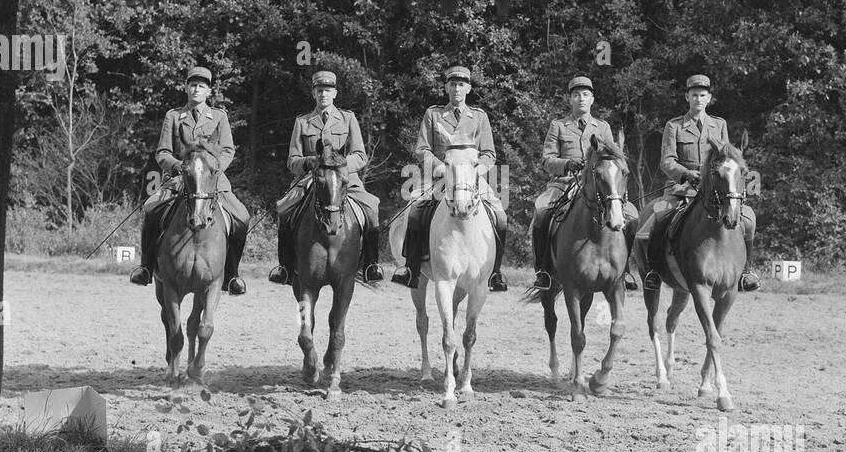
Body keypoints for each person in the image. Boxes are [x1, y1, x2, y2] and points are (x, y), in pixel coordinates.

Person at [633, 74, 760, 292]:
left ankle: (746, 271)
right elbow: (667, 161)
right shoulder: (674, 126)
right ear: (687, 97)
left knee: (747, 219)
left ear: (709, 98)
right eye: (694, 95)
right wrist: (686, 174)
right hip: (683, 188)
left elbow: (726, 156)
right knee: (660, 217)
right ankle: (654, 270)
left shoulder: (719, 124)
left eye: (702, 95)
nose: (698, 99)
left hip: (715, 189)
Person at [129, 65, 249, 294]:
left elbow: (228, 150)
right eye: (192, 85)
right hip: (179, 179)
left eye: (201, 86)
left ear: (208, 91)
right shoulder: (173, 116)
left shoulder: (220, 117)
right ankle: (145, 268)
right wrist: (180, 167)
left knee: (242, 217)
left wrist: (213, 170)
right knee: (151, 208)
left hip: (213, 181)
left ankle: (232, 275)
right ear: (186, 88)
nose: (196, 89)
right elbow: (162, 152)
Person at [391, 64, 509, 292]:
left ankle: (495, 273)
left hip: (471, 178)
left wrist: (477, 170)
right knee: (415, 211)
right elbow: (422, 149)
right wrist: (439, 167)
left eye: (462, 84)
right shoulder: (433, 114)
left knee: (501, 216)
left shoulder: (479, 117)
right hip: (440, 177)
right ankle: (411, 269)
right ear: (446, 87)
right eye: (453, 84)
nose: (457, 88)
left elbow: (489, 153)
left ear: (469, 88)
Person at [268, 69, 384, 284]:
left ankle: (371, 264)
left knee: (371, 207)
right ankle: (284, 266)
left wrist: (340, 166)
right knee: (284, 209)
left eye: (328, 90)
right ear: (314, 93)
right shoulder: (302, 122)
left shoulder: (348, 119)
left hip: (343, 178)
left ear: (335, 93)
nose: (323, 94)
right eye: (319, 90)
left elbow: (360, 155)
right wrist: (308, 162)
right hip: (312, 178)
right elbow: (292, 160)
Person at [531, 75, 639, 291]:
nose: (581, 98)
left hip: (599, 186)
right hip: (563, 184)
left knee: (633, 215)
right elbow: (546, 160)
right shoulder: (558, 126)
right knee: (542, 212)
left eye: (585, 94)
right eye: (576, 95)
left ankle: (624, 270)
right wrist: (567, 164)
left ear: (592, 99)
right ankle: (543, 269)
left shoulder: (603, 127)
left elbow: (615, 158)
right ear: (570, 99)